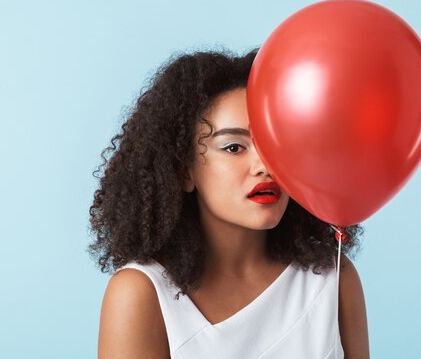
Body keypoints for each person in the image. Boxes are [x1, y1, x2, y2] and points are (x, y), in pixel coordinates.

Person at [89, 49, 369, 359]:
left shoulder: (332, 276)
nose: (265, 165)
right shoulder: (141, 294)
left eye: (277, 142)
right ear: (183, 170)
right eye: (234, 147)